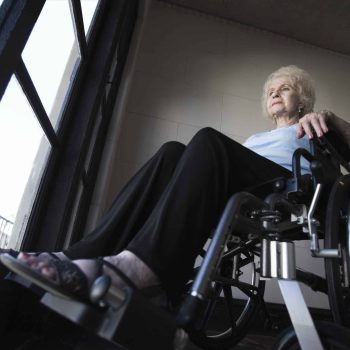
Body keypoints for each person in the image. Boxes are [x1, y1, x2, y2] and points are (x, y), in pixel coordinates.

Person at [1, 65, 350, 304]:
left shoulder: (315, 125)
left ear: (302, 98)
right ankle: (78, 256)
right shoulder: (258, 137)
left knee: (210, 142)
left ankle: (141, 268)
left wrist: (331, 119)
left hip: (282, 190)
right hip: (240, 188)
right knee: (171, 152)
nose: (275, 93)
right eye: (271, 90)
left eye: (285, 88)